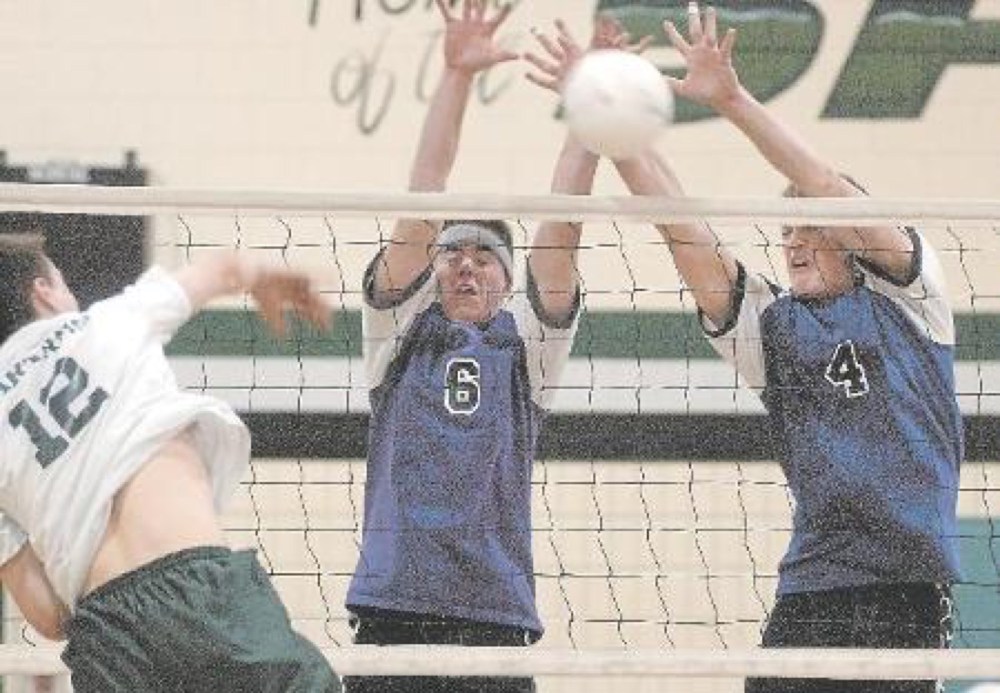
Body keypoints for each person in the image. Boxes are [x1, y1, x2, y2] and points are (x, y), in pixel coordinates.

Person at [580, 4, 957, 692]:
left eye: (811, 226)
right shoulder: (772, 327)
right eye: (786, 230)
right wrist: (613, 126)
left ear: (854, 237)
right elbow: (683, 230)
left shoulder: (912, 295)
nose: (794, 241)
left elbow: (827, 186)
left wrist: (731, 99)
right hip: (813, 590)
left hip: (902, 592)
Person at [342, 3, 637, 692]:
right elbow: (423, 199)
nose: (467, 267)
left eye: (484, 258)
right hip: (395, 608)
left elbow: (561, 229)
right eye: (453, 254)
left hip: (493, 617)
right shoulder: (398, 332)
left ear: (507, 279)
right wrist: (456, 76)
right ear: (433, 267)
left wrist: (590, 111)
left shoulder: (528, 345)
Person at [0, 233, 341, 692]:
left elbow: (48, 617)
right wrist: (267, 277)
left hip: (108, 637)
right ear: (43, 291)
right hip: (200, 592)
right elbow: (225, 268)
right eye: (62, 282)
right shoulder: (107, 322)